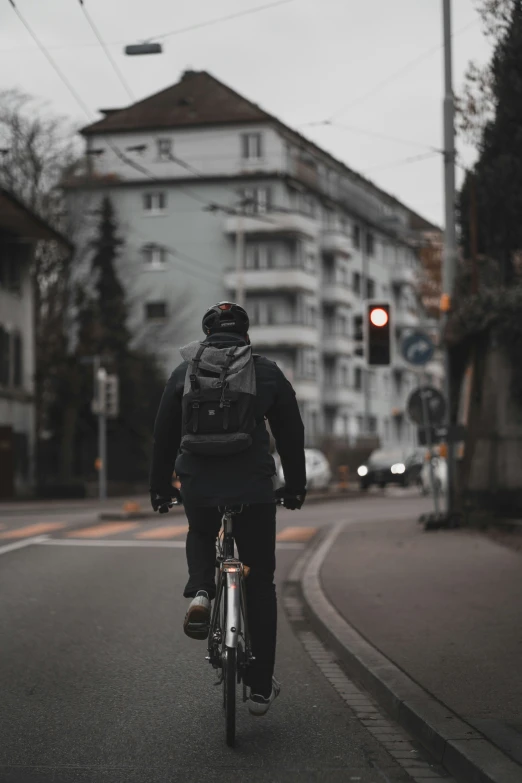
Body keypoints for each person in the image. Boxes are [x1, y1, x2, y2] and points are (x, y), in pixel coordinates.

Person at [150, 302, 306, 716]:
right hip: (253, 489)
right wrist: (296, 485)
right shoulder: (265, 370)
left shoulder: (185, 372)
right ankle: (258, 689)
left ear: (206, 335)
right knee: (261, 583)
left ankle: (202, 590)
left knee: (201, 532)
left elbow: (164, 434)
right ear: (246, 334)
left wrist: (159, 486)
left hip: (198, 483)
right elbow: (291, 433)